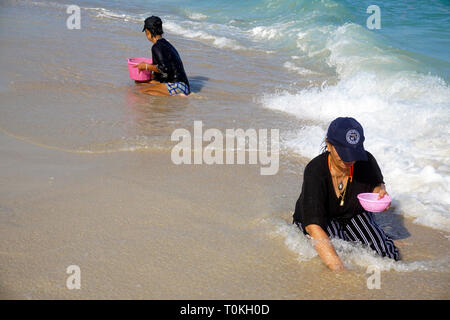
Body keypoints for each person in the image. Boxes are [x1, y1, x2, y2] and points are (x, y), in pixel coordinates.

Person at [293, 117, 400, 271]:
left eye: (353, 152)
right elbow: (313, 226)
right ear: (329, 145)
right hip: (321, 218)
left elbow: (377, 184)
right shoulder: (315, 170)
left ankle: (384, 237)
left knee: (386, 254)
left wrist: (380, 194)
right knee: (340, 251)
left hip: (352, 213)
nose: (349, 159)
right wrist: (339, 270)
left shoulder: (366, 161)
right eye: (343, 152)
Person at [133, 16, 190, 97]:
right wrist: (149, 76)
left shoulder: (156, 47)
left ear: (147, 32)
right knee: (139, 83)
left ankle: (179, 96)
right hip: (183, 85)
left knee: (142, 91)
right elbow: (163, 72)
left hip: (178, 85)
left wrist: (146, 66)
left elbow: (164, 69)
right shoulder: (166, 44)